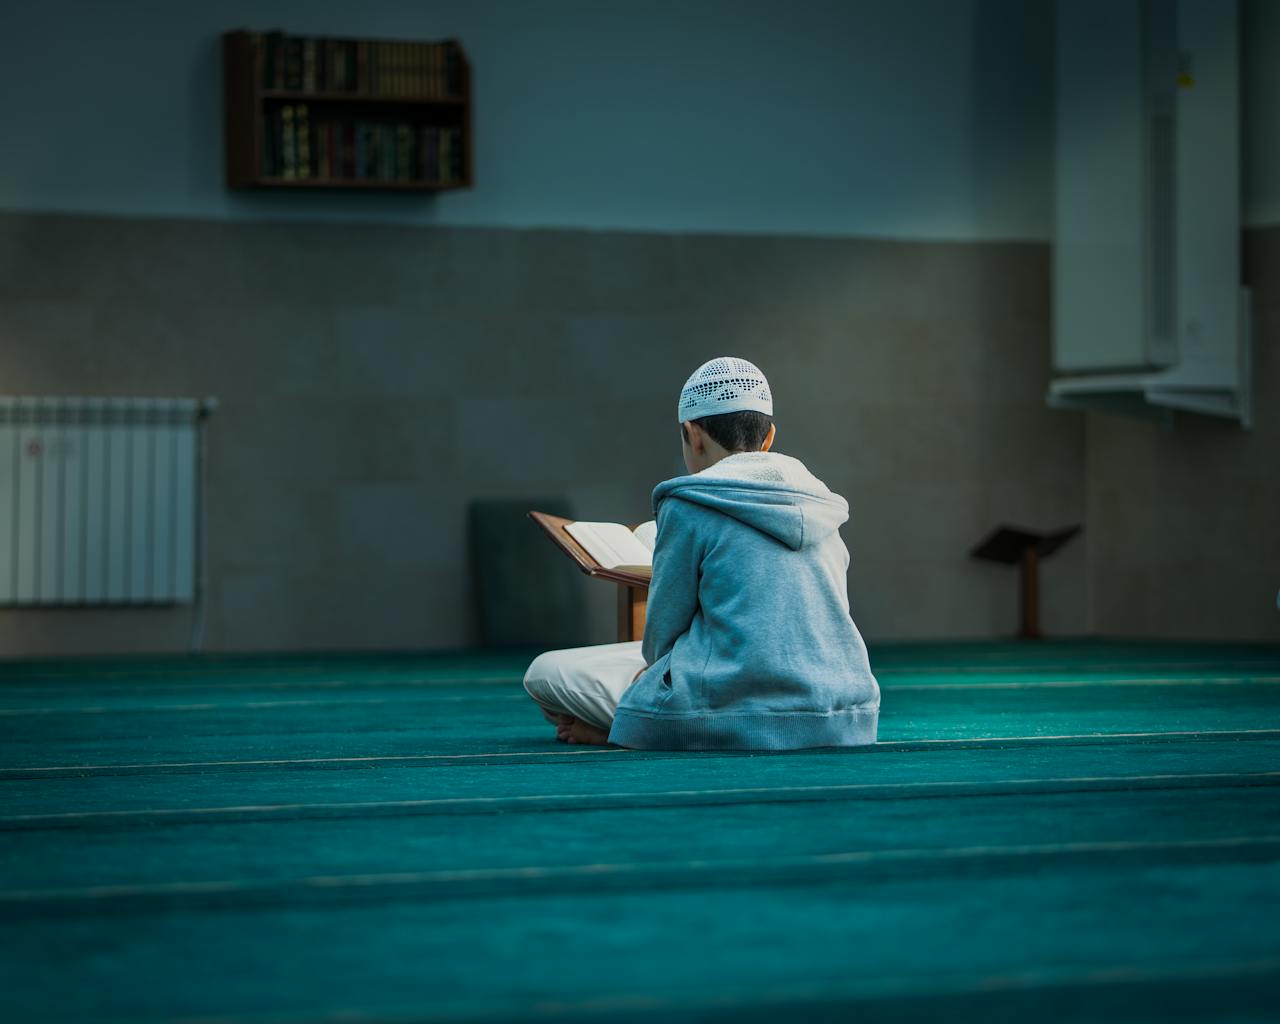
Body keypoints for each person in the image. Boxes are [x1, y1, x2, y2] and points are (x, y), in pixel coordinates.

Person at [523, 356, 879, 750]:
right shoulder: (821, 502)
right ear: (769, 436)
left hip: (728, 712)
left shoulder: (689, 503)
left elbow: (661, 637)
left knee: (547, 672)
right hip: (844, 712)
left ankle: (630, 729)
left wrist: (649, 685)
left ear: (693, 435)